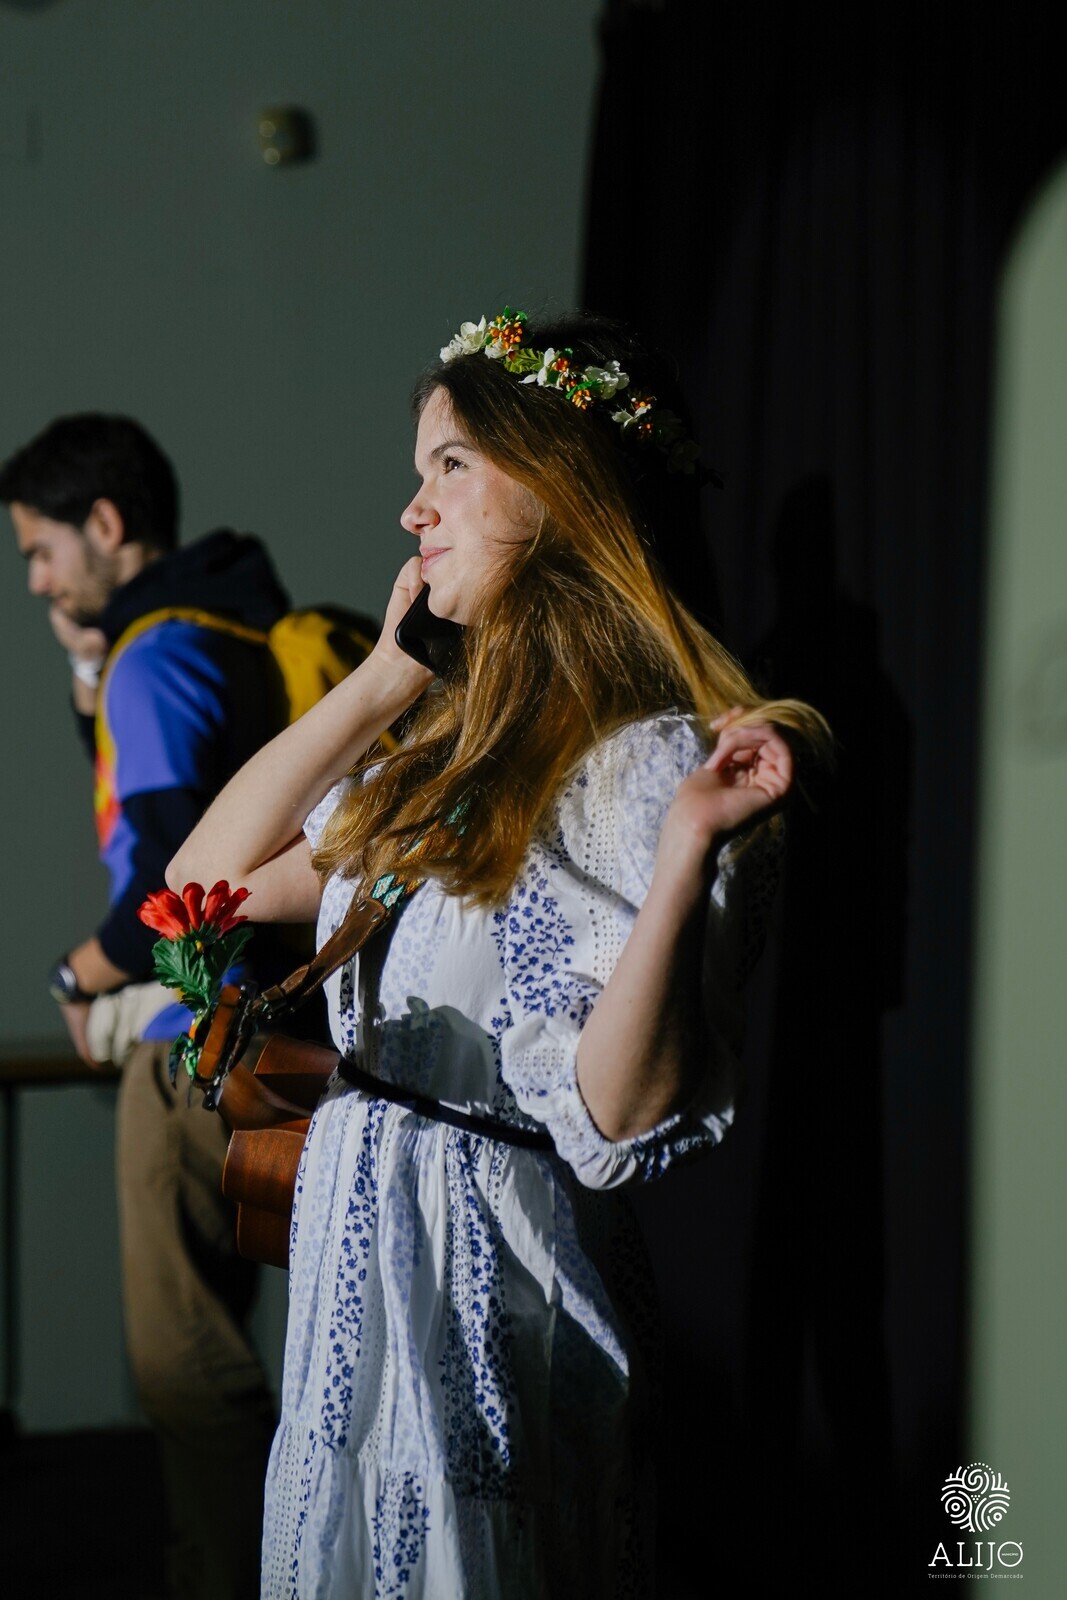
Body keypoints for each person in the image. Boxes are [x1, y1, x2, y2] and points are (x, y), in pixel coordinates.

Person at [169, 309, 830, 1597]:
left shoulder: (647, 768)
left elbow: (614, 1119)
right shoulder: (445, 752)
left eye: (450, 465)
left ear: (558, 487)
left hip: (483, 1291)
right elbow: (202, 891)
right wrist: (383, 679)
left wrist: (685, 853)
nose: (411, 511)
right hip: (360, 1269)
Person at [1, 414, 294, 1600]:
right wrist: (89, 666)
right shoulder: (226, 624)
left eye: (40, 550)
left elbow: (177, 884)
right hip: (268, 1040)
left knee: (186, 1367)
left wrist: (77, 972)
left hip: (191, 1048)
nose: (34, 580)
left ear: (106, 524)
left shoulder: (153, 658)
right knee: (228, 1338)